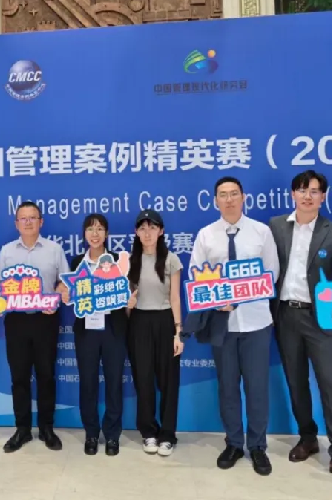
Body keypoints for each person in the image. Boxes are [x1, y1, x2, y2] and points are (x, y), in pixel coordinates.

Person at [269, 170, 332, 495]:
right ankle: (308, 437)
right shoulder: (275, 227)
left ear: (323, 196)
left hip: (320, 318)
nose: (307, 196)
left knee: (330, 385)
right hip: (285, 315)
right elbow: (261, 269)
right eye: (302, 190)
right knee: (296, 382)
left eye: (314, 191)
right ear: (293, 194)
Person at [188, 177, 279, 475]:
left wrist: (243, 293)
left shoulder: (261, 232)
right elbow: (196, 275)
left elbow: (271, 272)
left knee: (257, 387)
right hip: (221, 323)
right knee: (227, 386)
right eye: (223, 195)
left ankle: (258, 446)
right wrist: (216, 299)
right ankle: (234, 442)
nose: (229, 199)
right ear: (215, 200)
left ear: (243, 198)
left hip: (256, 321)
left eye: (234, 194)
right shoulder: (206, 235)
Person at [0, 201, 70, 453]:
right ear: (16, 223)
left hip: (45, 319)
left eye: (32, 218)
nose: (28, 222)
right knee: (19, 376)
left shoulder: (54, 249)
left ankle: (46, 428)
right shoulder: (7, 251)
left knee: (46, 375)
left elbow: (64, 282)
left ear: (41, 221)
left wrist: (57, 297)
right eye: (23, 218)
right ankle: (22, 429)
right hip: (16, 320)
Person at [63, 214, 128, 456]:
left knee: (114, 381)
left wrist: (129, 299)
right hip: (86, 329)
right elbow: (67, 291)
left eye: (100, 229)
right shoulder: (77, 262)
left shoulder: (118, 261)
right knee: (88, 381)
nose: (95, 234)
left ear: (107, 234)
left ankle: (112, 435)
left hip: (113, 327)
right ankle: (91, 432)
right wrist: (65, 294)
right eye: (90, 229)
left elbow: (128, 291)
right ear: (84, 234)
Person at [126, 209, 183, 457]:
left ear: (161, 231)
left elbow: (175, 297)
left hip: (165, 320)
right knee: (143, 379)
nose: (147, 232)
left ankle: (168, 435)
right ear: (136, 233)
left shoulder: (171, 259)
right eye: (142, 228)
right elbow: (125, 301)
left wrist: (178, 332)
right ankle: (148, 431)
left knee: (169, 381)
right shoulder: (129, 261)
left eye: (152, 227)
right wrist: (127, 306)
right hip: (138, 322)